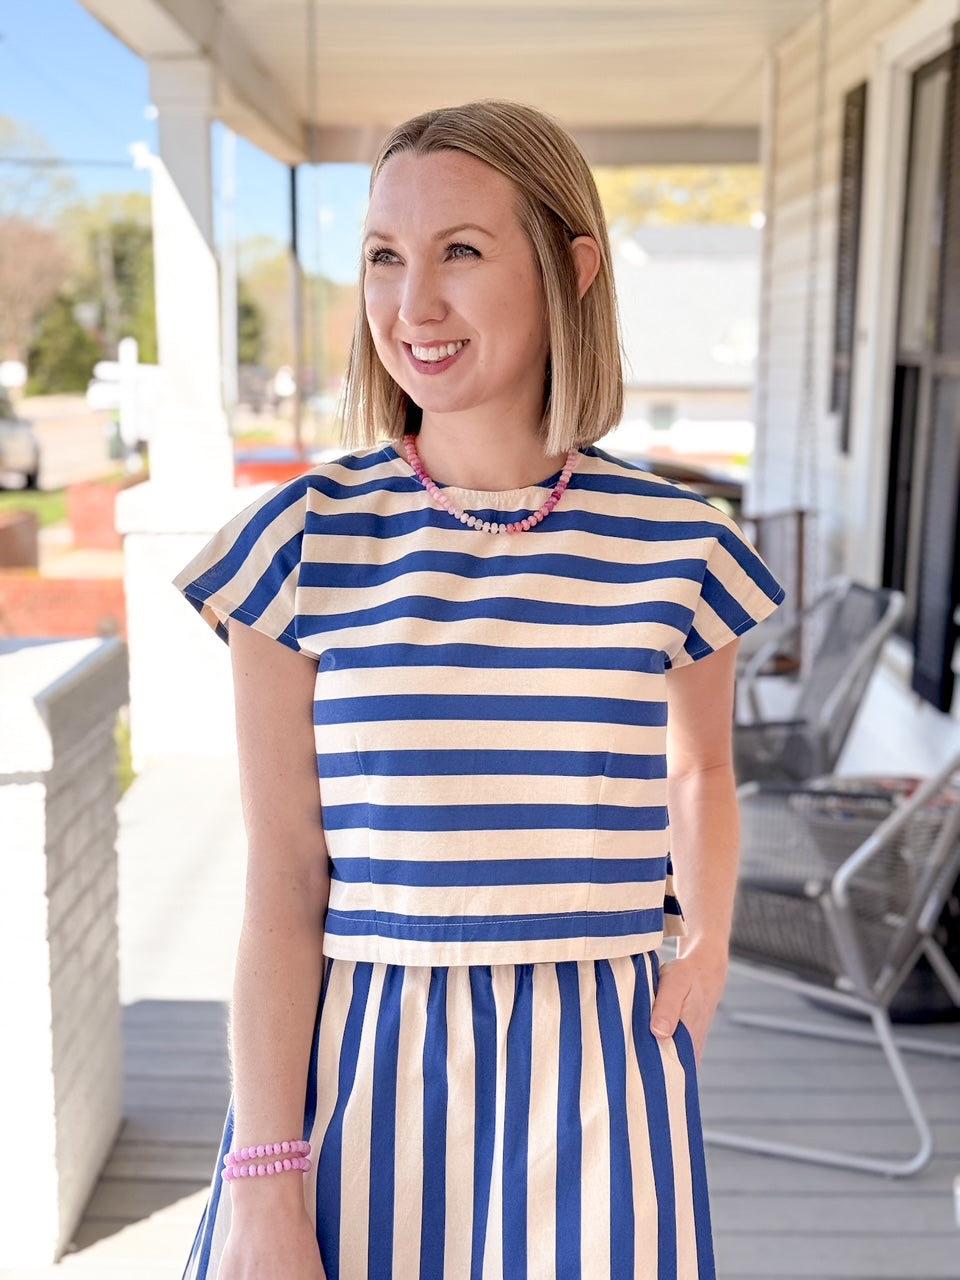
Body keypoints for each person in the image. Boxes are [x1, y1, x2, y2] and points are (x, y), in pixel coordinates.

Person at [175, 99, 783, 1280]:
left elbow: (701, 767)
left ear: (570, 266)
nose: (414, 307)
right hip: (361, 1067)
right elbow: (283, 881)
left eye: (460, 249)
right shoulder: (301, 541)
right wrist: (264, 1176)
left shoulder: (677, 543)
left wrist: (704, 945)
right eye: (384, 259)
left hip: (600, 1074)